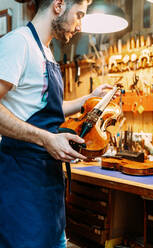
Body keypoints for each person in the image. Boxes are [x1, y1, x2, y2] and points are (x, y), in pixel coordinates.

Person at [0, 0, 113, 247]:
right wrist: (45, 139)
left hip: (49, 185)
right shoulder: (19, 44)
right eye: (80, 14)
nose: (81, 25)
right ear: (59, 5)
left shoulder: (46, 51)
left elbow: (43, 108)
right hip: (22, 184)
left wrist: (88, 99)